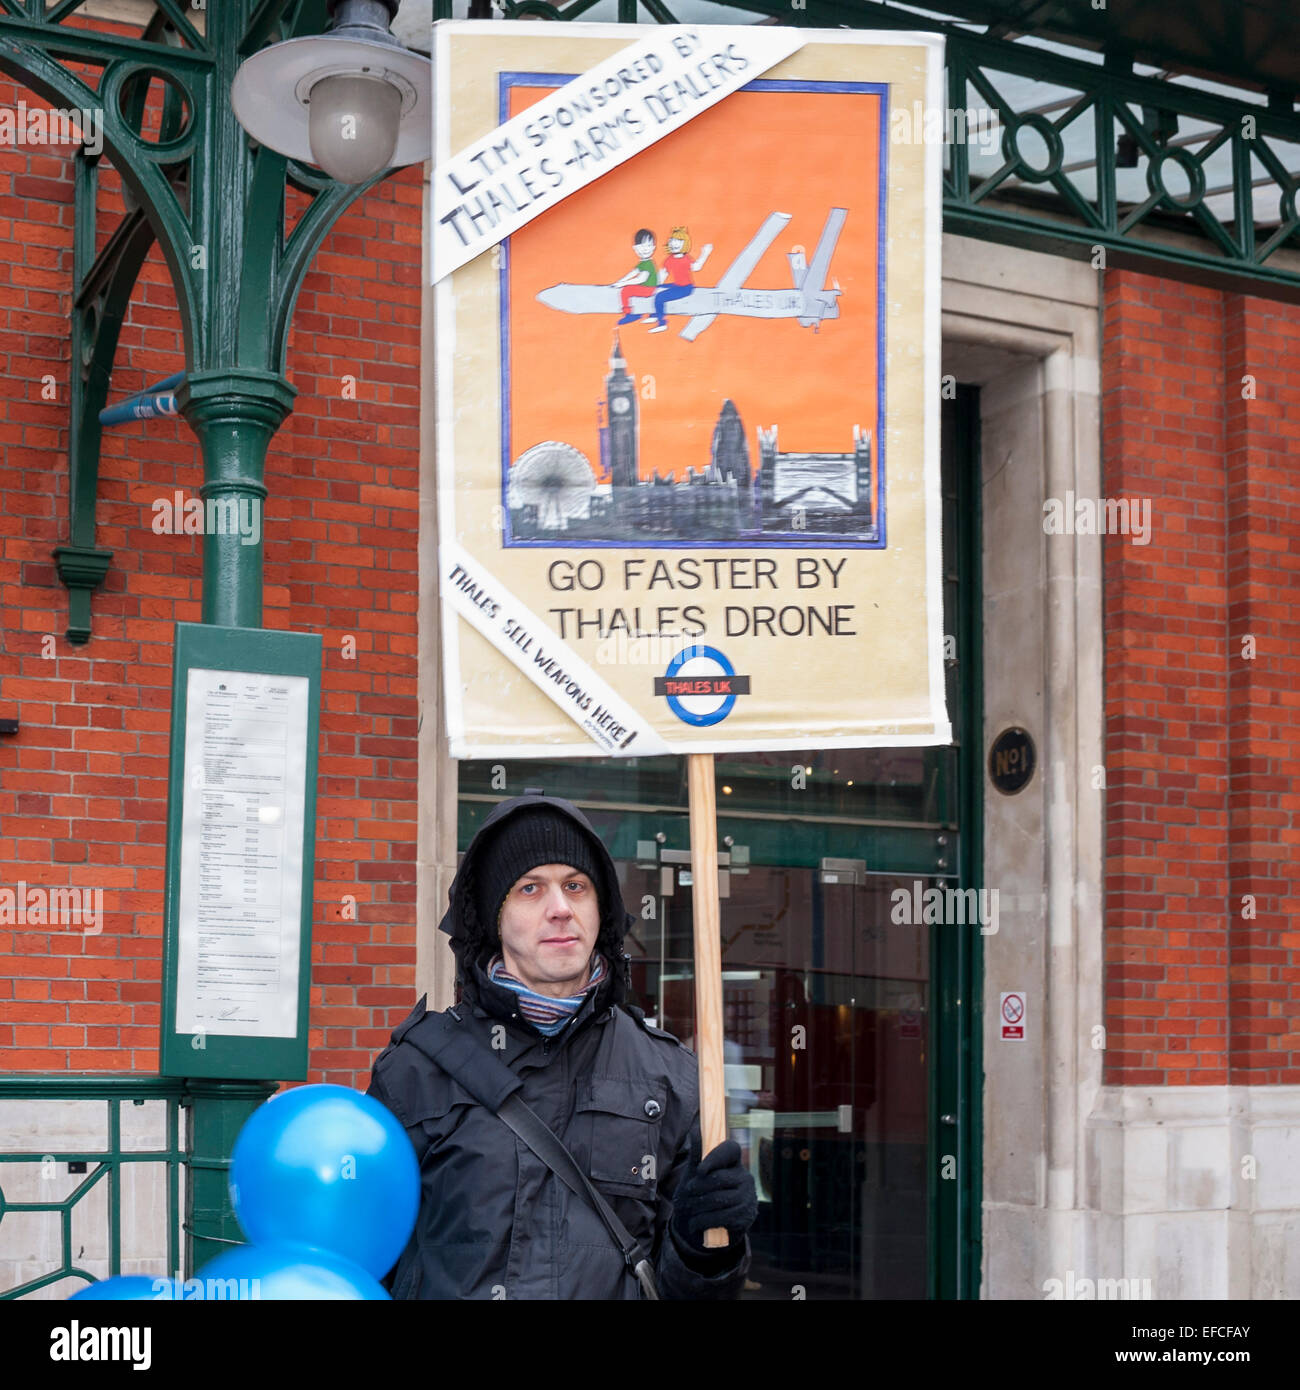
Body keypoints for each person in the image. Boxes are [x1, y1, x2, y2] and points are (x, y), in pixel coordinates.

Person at [365, 791, 757, 1299]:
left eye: (576, 886)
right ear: (493, 917)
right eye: (530, 889)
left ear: (601, 909)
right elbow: (369, 1264)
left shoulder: (672, 1076)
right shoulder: (415, 1072)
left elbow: (695, 1294)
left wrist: (707, 1253)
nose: (560, 909)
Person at [650, 226, 712, 333]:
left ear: (685, 244)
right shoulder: (669, 259)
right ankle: (655, 314)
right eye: (672, 240)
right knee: (658, 289)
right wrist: (653, 284)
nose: (674, 243)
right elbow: (663, 274)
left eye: (678, 241)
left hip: (686, 288)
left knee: (660, 297)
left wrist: (705, 253)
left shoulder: (686, 259)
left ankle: (661, 322)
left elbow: (696, 267)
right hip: (677, 285)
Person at [613, 228, 659, 325]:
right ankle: (630, 313)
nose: (646, 249)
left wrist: (623, 283)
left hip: (649, 289)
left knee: (625, 291)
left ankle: (629, 314)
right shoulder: (643, 262)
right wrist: (620, 281)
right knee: (625, 289)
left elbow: (641, 279)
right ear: (635, 248)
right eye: (642, 246)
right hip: (645, 287)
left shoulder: (648, 263)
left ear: (653, 247)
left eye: (649, 245)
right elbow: (634, 272)